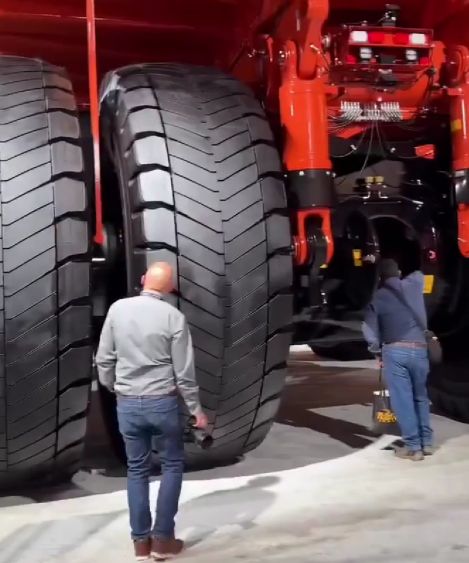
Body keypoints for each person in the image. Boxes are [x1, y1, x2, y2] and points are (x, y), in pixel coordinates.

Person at [96, 262, 208, 561]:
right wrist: (196, 410)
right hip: (162, 403)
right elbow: (184, 373)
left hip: (128, 403)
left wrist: (114, 387)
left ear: (144, 279)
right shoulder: (174, 317)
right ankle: (163, 541)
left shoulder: (118, 309)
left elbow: (104, 358)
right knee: (171, 465)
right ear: (170, 288)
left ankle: (140, 543)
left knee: (137, 469)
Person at [362, 258, 434, 462]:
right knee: (420, 397)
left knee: (403, 399)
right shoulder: (414, 284)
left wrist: (377, 352)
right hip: (420, 349)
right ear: (399, 272)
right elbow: (420, 271)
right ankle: (427, 443)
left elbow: (369, 331)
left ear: (379, 278)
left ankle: (413, 447)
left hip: (395, 351)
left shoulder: (377, 299)